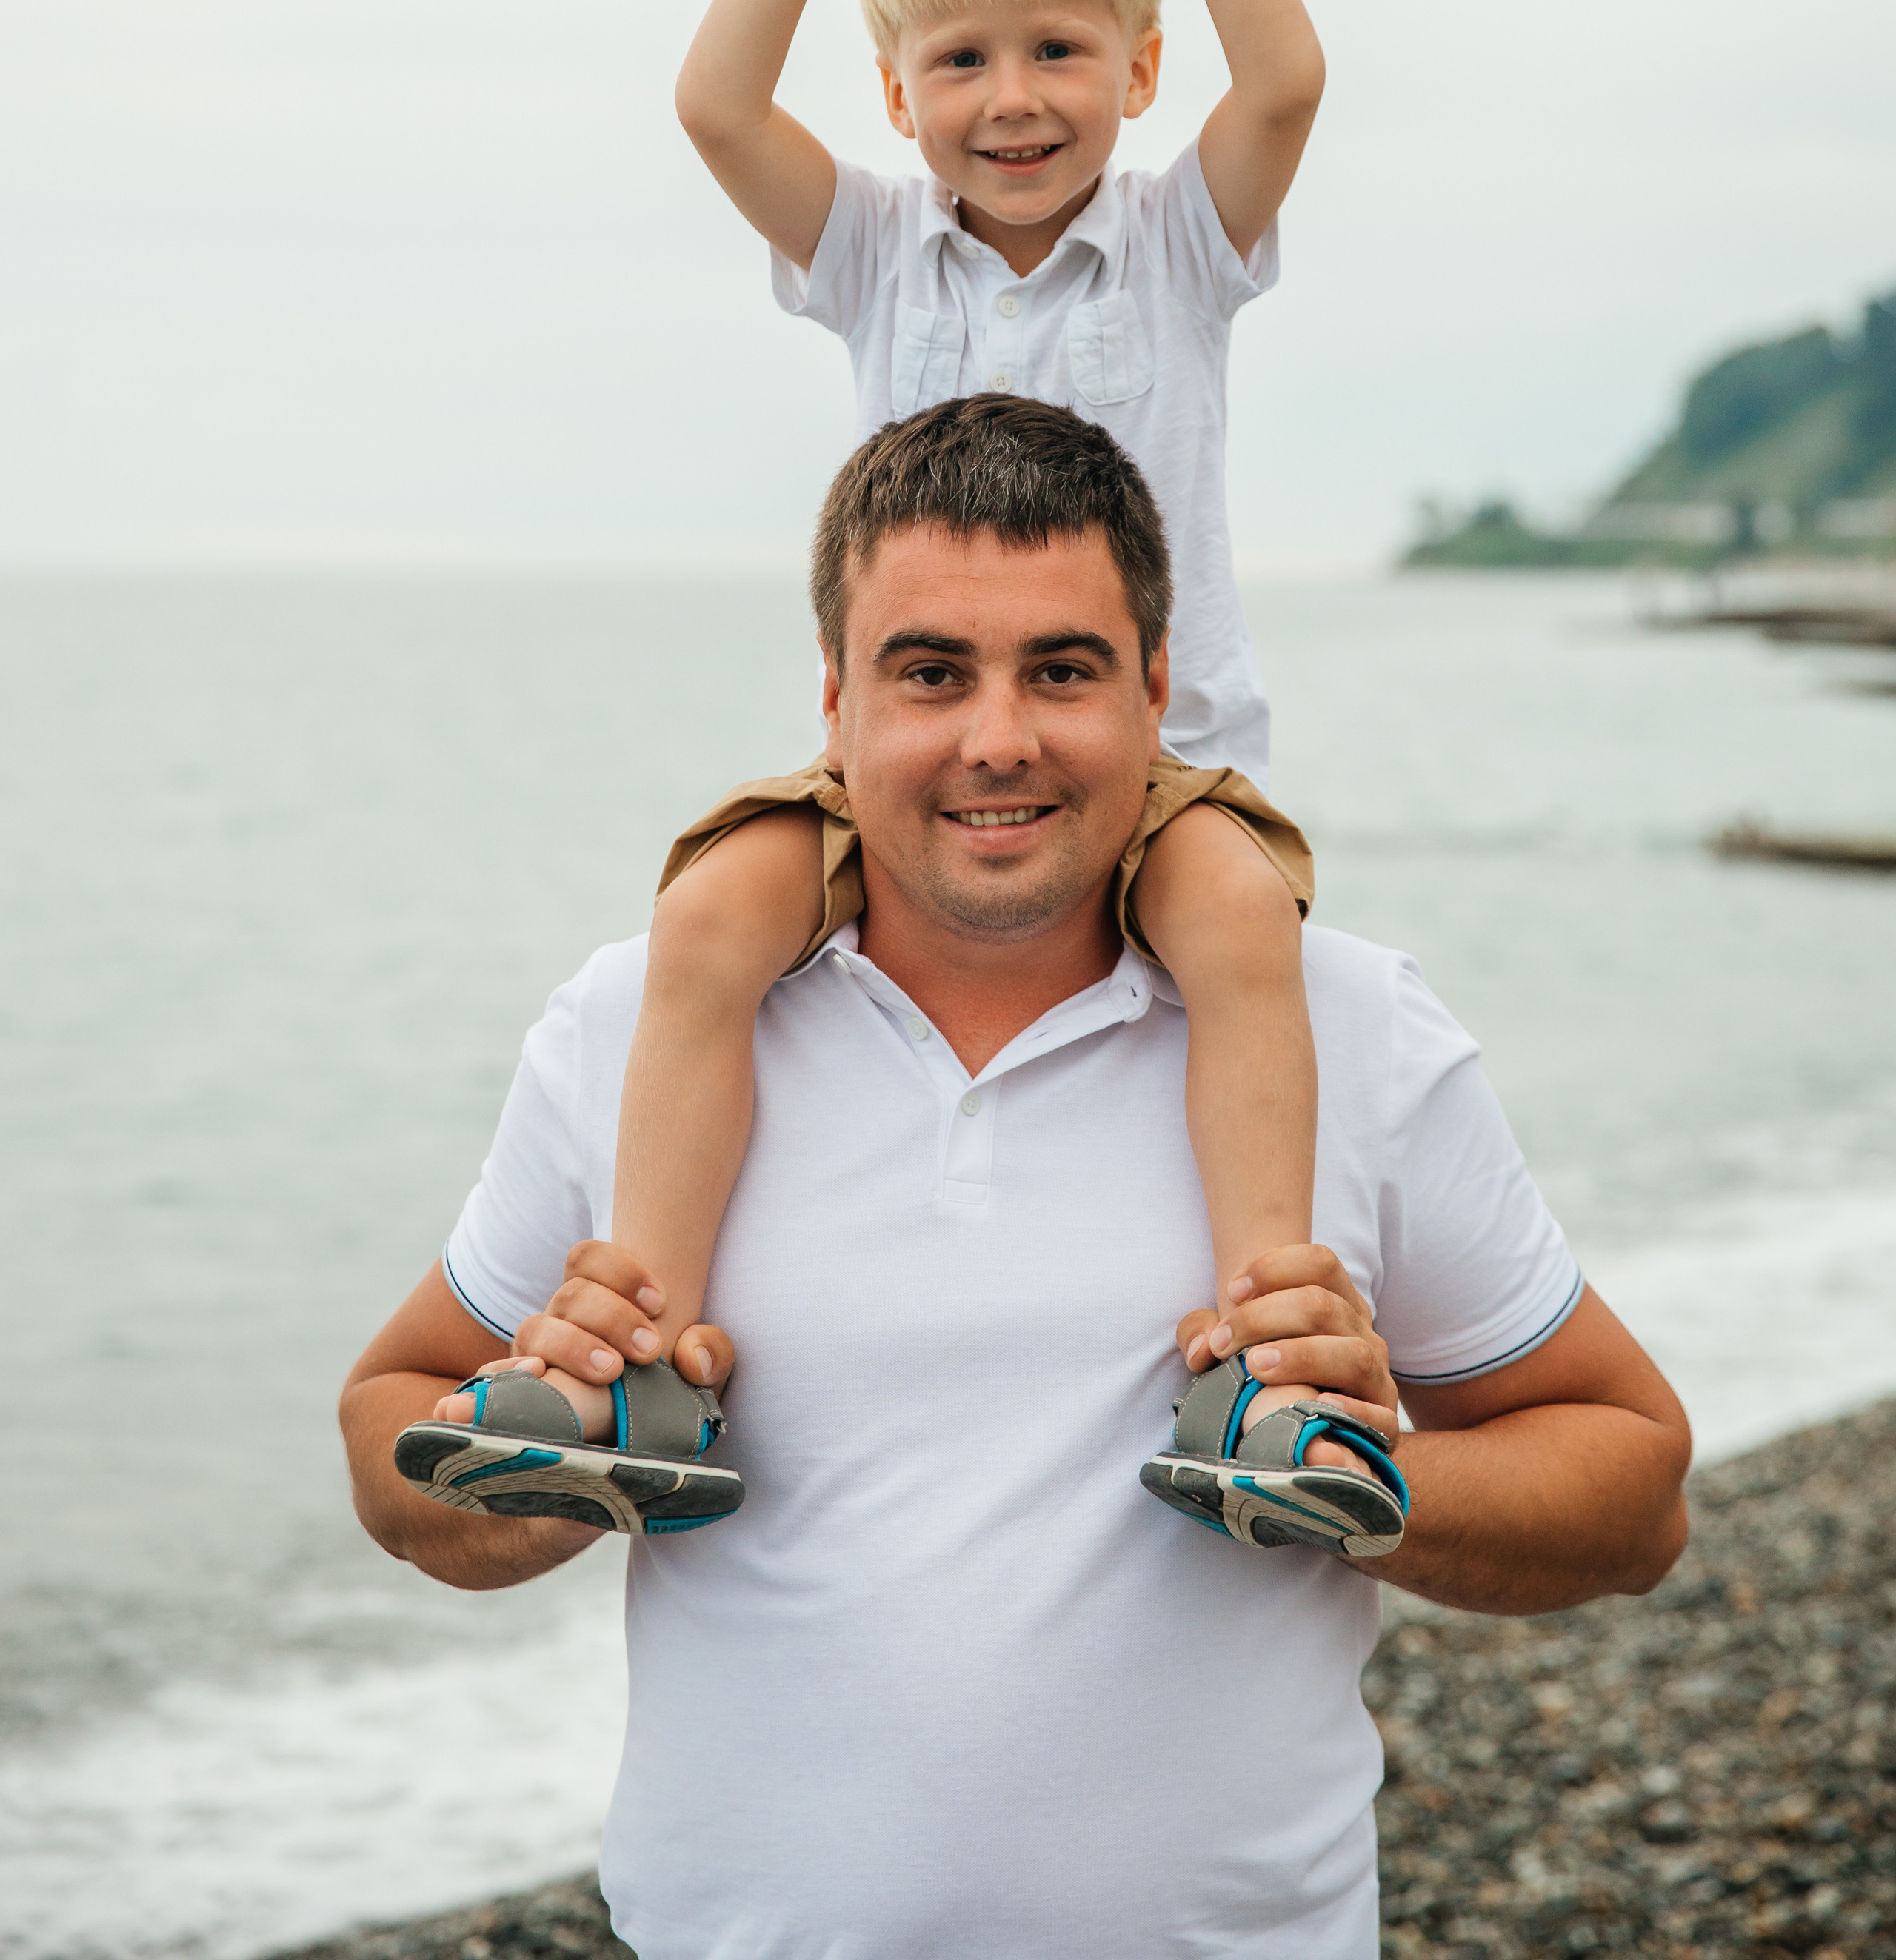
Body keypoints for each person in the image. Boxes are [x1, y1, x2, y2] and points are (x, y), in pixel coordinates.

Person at [343, 399, 1692, 1960]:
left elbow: (1637, 1494)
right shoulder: (628, 1023)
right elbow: (390, 1431)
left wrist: (1371, 1481)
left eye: (1061, 668)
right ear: (835, 708)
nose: (999, 738)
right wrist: (529, 1476)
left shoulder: (1355, 1029)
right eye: (931, 673)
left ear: (1156, 692)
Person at [417, 0, 1378, 1539]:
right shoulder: (871, 251)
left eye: (1056, 53)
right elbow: (709, 106)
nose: (1010, 101)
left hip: (1158, 760)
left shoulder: (1179, 243)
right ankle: (640, 1360)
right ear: (894, 88)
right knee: (707, 918)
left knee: (1239, 940)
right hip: (902, 769)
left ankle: (1262, 1376)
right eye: (958, 62)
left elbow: (1293, 74)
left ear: (1135, 70)